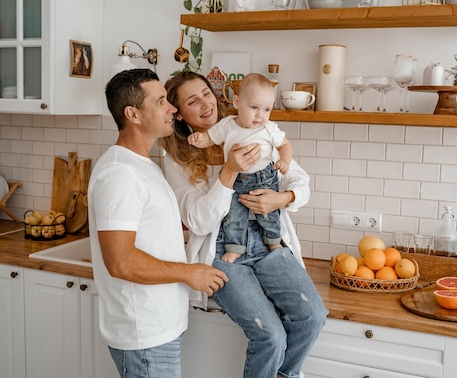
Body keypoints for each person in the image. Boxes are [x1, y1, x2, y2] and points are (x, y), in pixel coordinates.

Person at [160, 71, 328, 378]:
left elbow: (298, 178)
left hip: (269, 243)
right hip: (223, 252)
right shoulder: (175, 159)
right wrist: (229, 172)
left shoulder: (250, 128)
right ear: (180, 113)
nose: (204, 104)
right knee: (271, 336)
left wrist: (282, 198)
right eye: (192, 101)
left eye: (206, 94)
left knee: (313, 316)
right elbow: (197, 220)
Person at [87, 68, 228, 378]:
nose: (172, 109)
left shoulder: (144, 164)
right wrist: (188, 273)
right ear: (133, 114)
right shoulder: (119, 174)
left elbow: (156, 229)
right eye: (161, 101)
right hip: (143, 332)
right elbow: (121, 262)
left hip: (159, 325)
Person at [187, 73, 293, 263]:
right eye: (254, 107)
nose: (260, 115)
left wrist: (284, 161)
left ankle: (273, 241)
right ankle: (235, 247)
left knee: (268, 215)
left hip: (264, 179)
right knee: (234, 215)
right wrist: (199, 139)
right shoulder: (227, 125)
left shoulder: (268, 129)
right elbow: (210, 138)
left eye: (266, 109)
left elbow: (285, 145)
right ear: (237, 102)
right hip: (235, 181)